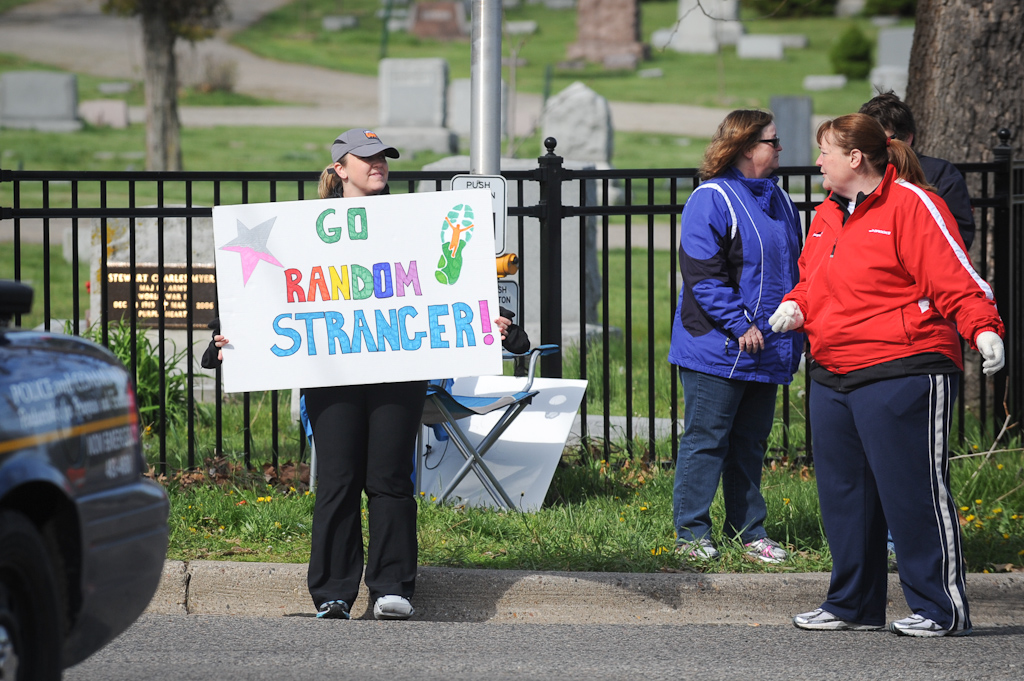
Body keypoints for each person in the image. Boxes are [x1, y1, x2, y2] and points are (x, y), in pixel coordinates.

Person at [204, 129, 524, 621]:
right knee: (337, 480)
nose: (379, 164)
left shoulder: (413, 224)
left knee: (391, 478)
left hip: (398, 370)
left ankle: (392, 586)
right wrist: (234, 338)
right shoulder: (301, 228)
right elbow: (273, 292)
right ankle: (333, 592)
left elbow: (446, 283)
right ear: (339, 169)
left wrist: (492, 322)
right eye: (367, 157)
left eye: (384, 157)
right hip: (331, 374)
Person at [771, 114, 1004, 637]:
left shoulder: (913, 205)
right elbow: (813, 279)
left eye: (826, 151)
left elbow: (956, 278)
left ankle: (941, 609)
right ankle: (851, 604)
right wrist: (796, 304)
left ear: (856, 158)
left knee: (913, 493)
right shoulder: (828, 213)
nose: (819, 161)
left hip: (904, 366)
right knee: (844, 496)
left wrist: (983, 328)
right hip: (833, 368)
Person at [668, 109, 803, 564]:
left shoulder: (780, 200)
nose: (779, 147)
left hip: (767, 346)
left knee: (750, 443)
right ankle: (691, 534)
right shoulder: (712, 198)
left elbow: (794, 269)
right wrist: (740, 324)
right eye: (773, 140)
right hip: (719, 346)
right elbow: (703, 275)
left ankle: (748, 532)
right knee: (707, 438)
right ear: (747, 147)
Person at [859, 90, 976, 249]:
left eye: (882, 141)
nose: (872, 149)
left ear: (907, 138)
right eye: (866, 141)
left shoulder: (939, 173)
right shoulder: (855, 172)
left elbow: (957, 237)